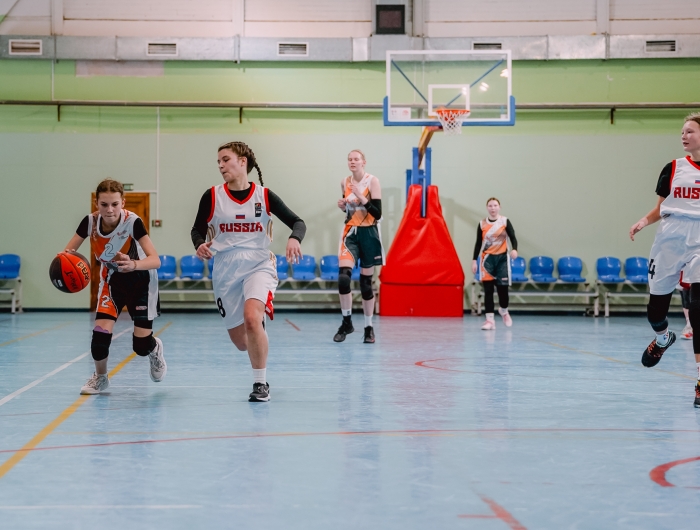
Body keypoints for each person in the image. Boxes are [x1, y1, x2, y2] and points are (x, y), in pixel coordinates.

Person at [191, 141, 305, 402]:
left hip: (258, 262)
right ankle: (256, 329)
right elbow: (196, 229)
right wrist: (199, 244)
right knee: (242, 343)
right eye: (218, 161)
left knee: (252, 318)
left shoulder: (264, 196)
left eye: (225, 159)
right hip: (225, 266)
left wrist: (294, 238)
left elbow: (297, 222)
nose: (220, 165)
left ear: (242, 161)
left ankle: (260, 384)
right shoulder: (212, 196)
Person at [62, 178, 166, 395]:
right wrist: (63, 266)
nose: (109, 210)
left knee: (140, 346)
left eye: (114, 204)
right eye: (104, 204)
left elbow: (155, 260)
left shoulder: (133, 222)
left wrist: (133, 264)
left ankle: (154, 348)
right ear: (96, 204)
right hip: (112, 281)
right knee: (99, 338)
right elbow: (68, 254)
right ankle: (101, 378)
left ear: (123, 203)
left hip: (141, 282)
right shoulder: (90, 222)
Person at [630, 112, 700, 407]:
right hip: (670, 238)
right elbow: (661, 207)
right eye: (682, 131)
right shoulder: (673, 168)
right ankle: (663, 338)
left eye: (690, 131)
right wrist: (644, 221)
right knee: (655, 311)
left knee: (698, 310)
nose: (684, 135)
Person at [333, 149, 384, 344]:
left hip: (369, 233)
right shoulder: (344, 182)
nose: (352, 162)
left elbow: (377, 213)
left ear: (364, 162)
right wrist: (343, 206)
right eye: (350, 159)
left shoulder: (373, 181)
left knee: (365, 284)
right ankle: (346, 322)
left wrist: (360, 196)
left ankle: (368, 328)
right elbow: (350, 210)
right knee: (343, 278)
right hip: (350, 233)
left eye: (356, 159)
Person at [472, 197, 518, 330]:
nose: (493, 208)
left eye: (495, 205)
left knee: (503, 291)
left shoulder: (505, 221)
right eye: (490, 206)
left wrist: (514, 249)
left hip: (502, 260)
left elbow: (513, 237)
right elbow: (478, 243)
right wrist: (474, 260)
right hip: (487, 261)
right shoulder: (482, 224)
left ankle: (504, 311)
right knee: (488, 291)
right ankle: (490, 320)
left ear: (499, 207)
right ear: (487, 208)